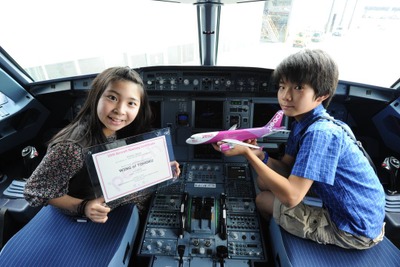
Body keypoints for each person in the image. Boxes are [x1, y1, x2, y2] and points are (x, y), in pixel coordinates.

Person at [213, 49, 385, 250]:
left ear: (322, 95)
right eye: (282, 86)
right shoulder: (303, 123)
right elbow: (287, 167)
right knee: (262, 180)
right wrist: (261, 154)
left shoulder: (320, 133)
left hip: (355, 229)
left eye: (298, 87)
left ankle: (271, 248)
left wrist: (247, 154)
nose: (286, 96)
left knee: (263, 200)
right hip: (354, 210)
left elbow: (291, 196)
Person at [24, 66, 180, 223]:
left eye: (131, 103)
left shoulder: (116, 129)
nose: (120, 110)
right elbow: (34, 191)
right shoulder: (71, 149)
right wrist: (83, 206)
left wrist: (159, 168)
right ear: (96, 97)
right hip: (96, 210)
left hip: (115, 189)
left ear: (139, 108)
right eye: (112, 98)